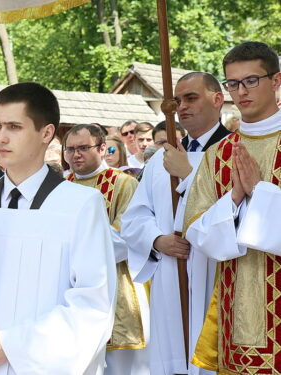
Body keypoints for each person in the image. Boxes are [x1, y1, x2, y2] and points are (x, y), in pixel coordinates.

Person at [0, 82, 116, 375]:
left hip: (43, 364)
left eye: (15, 127)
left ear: (46, 133)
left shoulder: (80, 204)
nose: (1, 137)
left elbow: (93, 305)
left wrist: (9, 345)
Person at [122, 71, 230, 375]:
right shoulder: (161, 159)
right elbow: (135, 217)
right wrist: (157, 240)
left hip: (216, 273)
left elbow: (238, 211)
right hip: (171, 273)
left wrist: (188, 175)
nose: (181, 107)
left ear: (217, 99)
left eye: (191, 98)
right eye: (177, 101)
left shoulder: (235, 151)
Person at [184, 42, 281, 373]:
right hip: (238, 304)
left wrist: (258, 192)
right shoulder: (217, 155)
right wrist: (235, 199)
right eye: (233, 83)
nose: (241, 91)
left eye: (251, 80)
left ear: (276, 81)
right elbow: (196, 229)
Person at [63, 124, 148, 375]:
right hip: (70, 287)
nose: (76, 154)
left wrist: (74, 247)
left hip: (117, 287)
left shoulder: (123, 184)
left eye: (83, 148)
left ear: (102, 148)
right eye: (70, 149)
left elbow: (126, 237)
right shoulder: (61, 186)